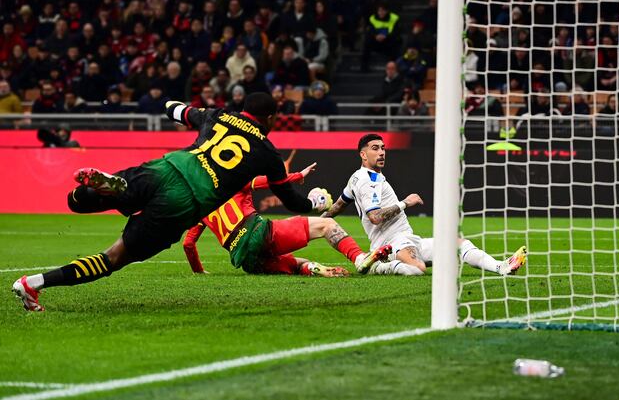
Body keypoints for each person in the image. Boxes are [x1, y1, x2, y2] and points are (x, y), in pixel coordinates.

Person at [12, 93, 334, 311]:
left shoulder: (217, 116)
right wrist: (313, 205)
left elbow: (174, 109)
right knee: (114, 257)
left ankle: (106, 189)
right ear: (271, 117)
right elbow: (290, 200)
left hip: (165, 168)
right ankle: (33, 283)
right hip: (184, 201)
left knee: (75, 203)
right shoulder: (267, 152)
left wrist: (172, 105)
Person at [322, 134, 527, 276]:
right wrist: (405, 203)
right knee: (418, 268)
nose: (382, 152)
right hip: (392, 243)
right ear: (363, 154)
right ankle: (378, 265)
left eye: (383, 148)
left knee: (458, 243)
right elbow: (374, 217)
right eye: (375, 149)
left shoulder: (357, 178)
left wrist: (320, 221)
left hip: (409, 239)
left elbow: (340, 204)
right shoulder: (369, 181)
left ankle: (501, 267)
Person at [183, 162, 390, 277]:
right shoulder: (231, 181)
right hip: (258, 233)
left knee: (296, 265)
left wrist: (199, 271)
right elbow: (268, 182)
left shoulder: (201, 206)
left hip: (244, 259)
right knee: (328, 225)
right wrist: (298, 176)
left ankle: (315, 269)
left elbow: (188, 244)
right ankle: (359, 259)